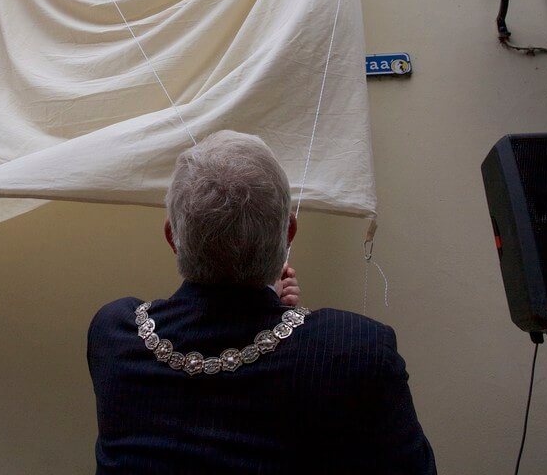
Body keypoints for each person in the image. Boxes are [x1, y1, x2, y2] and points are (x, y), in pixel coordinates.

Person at [87, 130, 436, 474]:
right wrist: (286, 322)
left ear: (172, 237)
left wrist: (281, 319)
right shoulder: (359, 349)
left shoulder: (113, 334)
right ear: (289, 233)